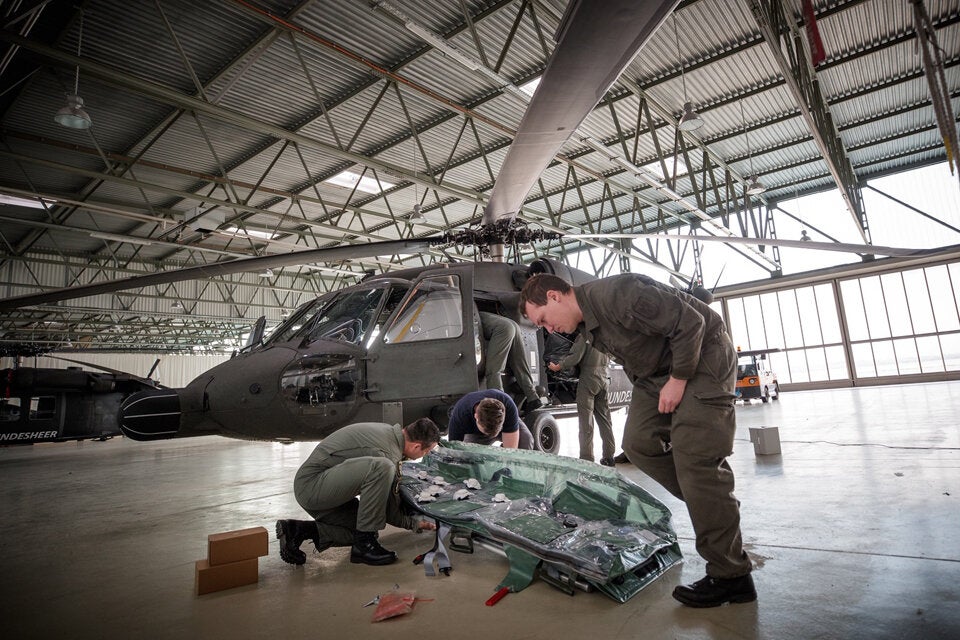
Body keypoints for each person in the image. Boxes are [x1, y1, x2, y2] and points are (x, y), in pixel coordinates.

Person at [520, 272, 755, 608]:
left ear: (555, 296)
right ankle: (712, 504)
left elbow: (691, 323)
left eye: (544, 319)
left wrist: (679, 378)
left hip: (702, 358)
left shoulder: (619, 294)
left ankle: (732, 576)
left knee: (696, 460)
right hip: (654, 375)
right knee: (638, 444)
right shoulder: (587, 324)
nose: (548, 329)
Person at [276, 418, 440, 567]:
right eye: (426, 452)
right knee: (382, 468)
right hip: (311, 488)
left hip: (325, 490)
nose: (423, 456)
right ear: (416, 446)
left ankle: (297, 530)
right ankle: (364, 548)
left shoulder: (389, 435)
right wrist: (414, 523)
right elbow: (387, 509)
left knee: (362, 529)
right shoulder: (386, 454)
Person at [547, 333, 615, 466]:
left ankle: (586, 458)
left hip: (589, 378)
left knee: (586, 421)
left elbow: (575, 357)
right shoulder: (606, 334)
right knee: (605, 419)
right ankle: (609, 456)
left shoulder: (585, 335)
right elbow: (614, 355)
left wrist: (557, 366)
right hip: (605, 377)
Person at [479, 311, 548, 413]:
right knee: (520, 364)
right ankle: (533, 397)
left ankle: (499, 405)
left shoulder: (466, 316)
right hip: (513, 326)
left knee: (493, 371)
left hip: (504, 329)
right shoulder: (480, 313)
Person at [446, 388, 534, 449]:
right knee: (471, 456)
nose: (491, 436)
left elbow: (511, 451)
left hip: (504, 425)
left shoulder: (508, 405)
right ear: (476, 416)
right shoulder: (460, 416)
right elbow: (454, 451)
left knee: (526, 440)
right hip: (476, 435)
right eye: (488, 433)